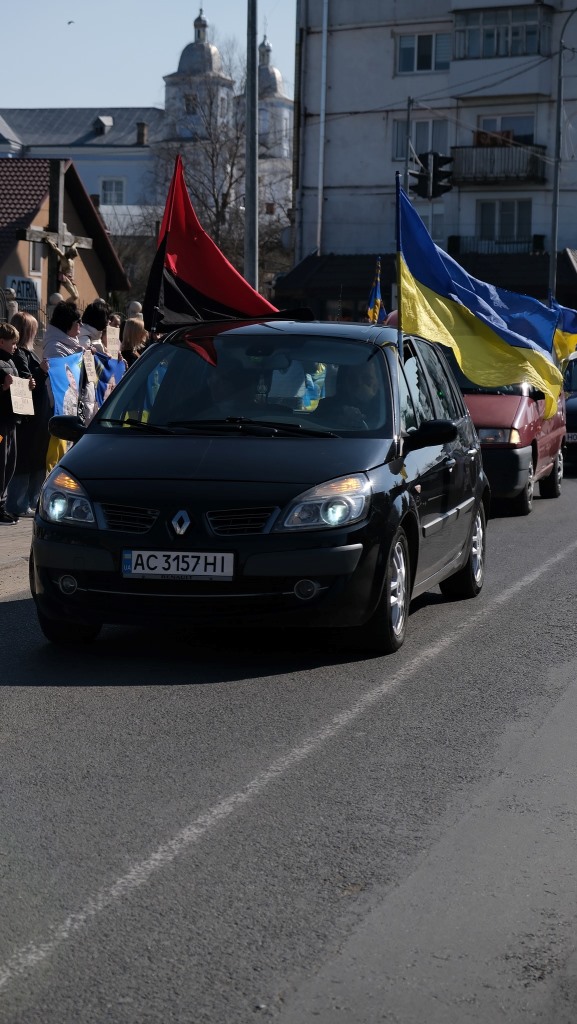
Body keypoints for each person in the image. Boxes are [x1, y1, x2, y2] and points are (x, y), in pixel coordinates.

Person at [6, 313, 50, 519]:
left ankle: (30, 501)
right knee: (25, 460)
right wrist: (40, 372)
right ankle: (18, 503)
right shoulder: (20, 354)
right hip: (28, 418)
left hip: (36, 417)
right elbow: (26, 381)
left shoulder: (27, 352)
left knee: (36, 459)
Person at [0, 322, 35, 524]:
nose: (15, 346)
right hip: (1, 423)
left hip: (11, 420)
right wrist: (3, 387)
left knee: (9, 463)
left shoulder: (10, 361)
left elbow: (18, 384)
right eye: (12, 343)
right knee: (1, 463)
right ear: (1, 341)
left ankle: (2, 505)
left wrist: (28, 384)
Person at [43, 301, 84, 472]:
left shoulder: (71, 344)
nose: (80, 325)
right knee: (56, 460)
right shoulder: (55, 347)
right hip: (58, 410)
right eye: (77, 322)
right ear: (67, 325)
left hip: (71, 406)